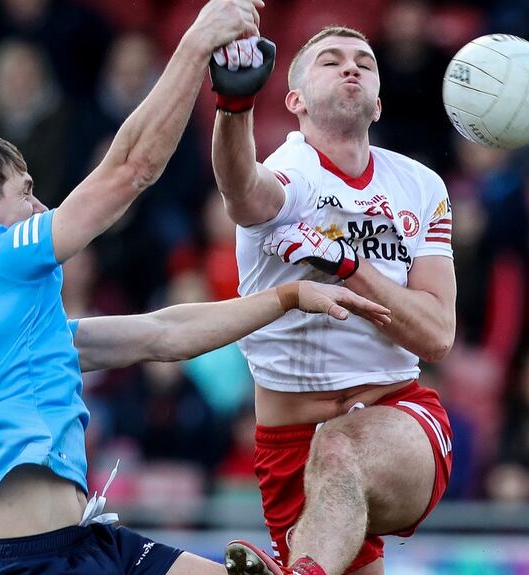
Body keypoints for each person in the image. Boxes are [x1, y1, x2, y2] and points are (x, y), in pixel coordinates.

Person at [0, 3, 389, 574]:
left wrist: (285, 298)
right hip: (27, 562)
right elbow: (130, 169)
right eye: (26, 192)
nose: (42, 208)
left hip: (81, 542)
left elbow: (163, 333)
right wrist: (195, 45)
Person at [209, 27, 456, 575]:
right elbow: (241, 189)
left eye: (365, 63)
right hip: (289, 446)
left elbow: (437, 336)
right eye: (331, 61)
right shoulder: (289, 177)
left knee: (340, 448)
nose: (352, 69)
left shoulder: (421, 186)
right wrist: (234, 109)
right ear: (294, 99)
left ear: (378, 102)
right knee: (331, 468)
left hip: (401, 415)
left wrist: (347, 265)